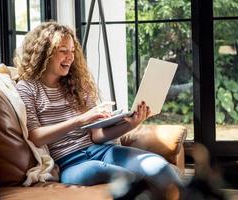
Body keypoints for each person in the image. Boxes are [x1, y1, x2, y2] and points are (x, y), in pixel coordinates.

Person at [14, 21, 182, 191]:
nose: (70, 57)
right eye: (63, 51)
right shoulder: (27, 88)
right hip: (70, 163)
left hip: (103, 150)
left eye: (72, 51)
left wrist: (131, 124)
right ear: (44, 54)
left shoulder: (77, 85)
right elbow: (35, 136)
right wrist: (80, 121)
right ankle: (141, 186)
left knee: (158, 166)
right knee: (101, 170)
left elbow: (97, 136)